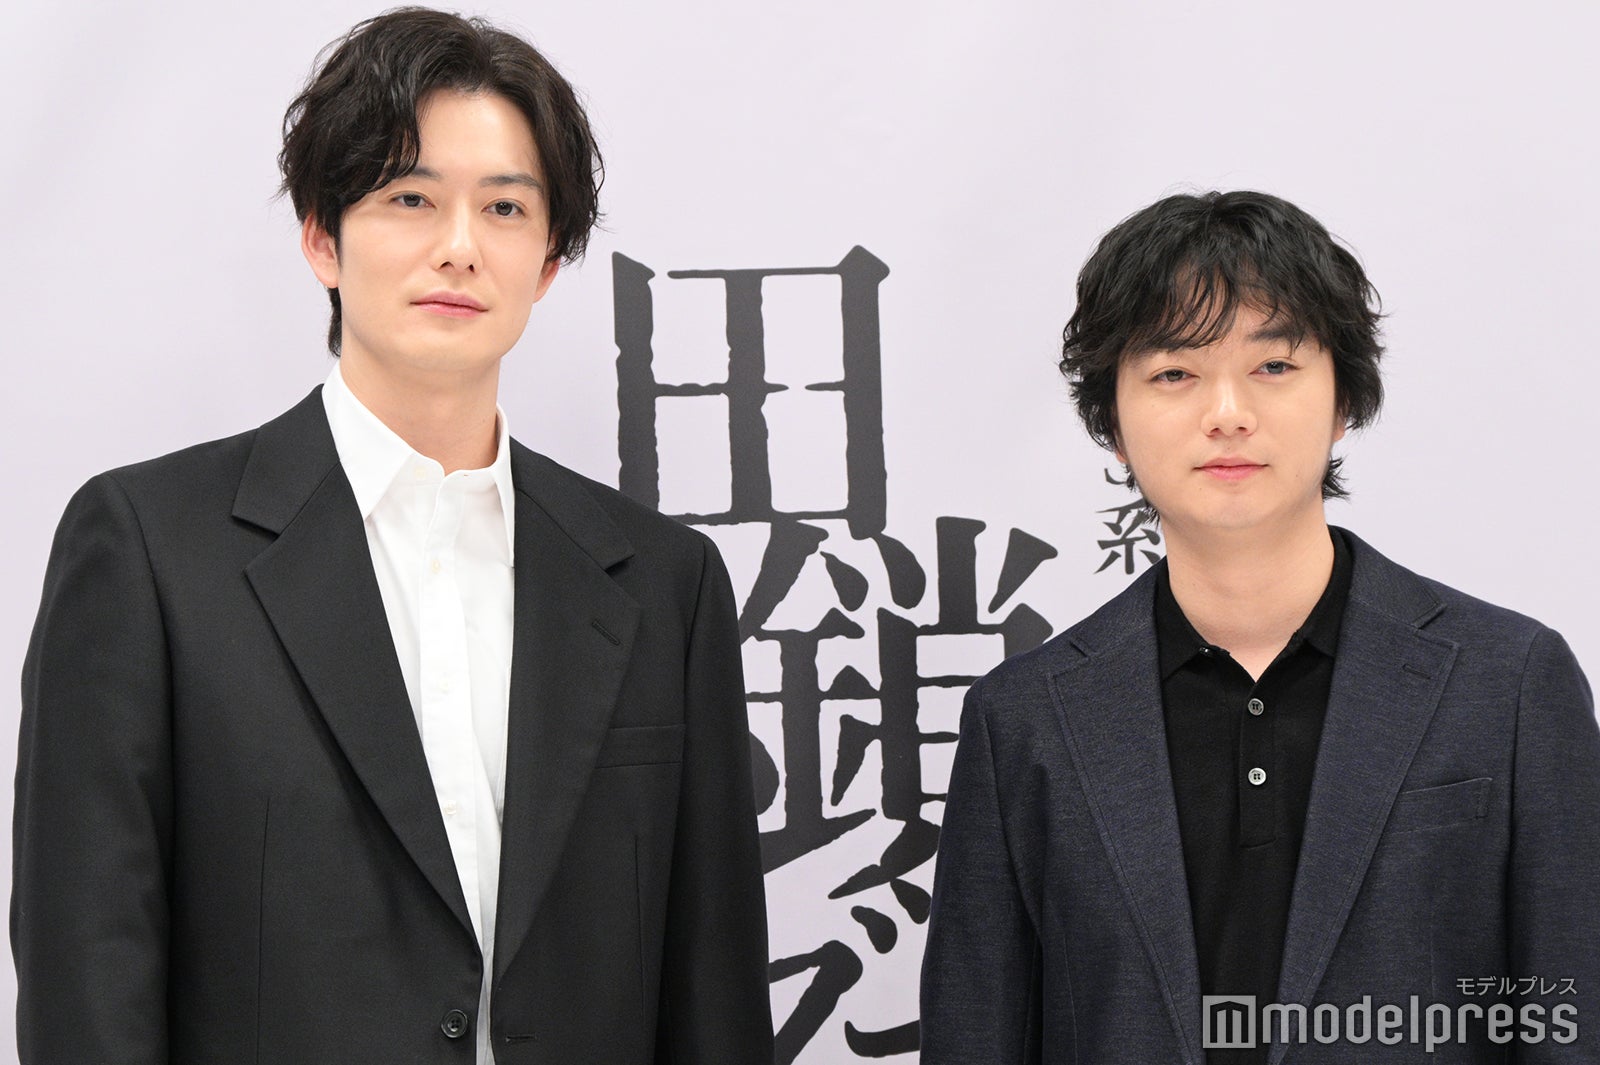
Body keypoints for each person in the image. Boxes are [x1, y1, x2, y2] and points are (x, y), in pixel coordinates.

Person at [12, 9, 774, 1063]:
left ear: (549, 260)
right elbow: (87, 976)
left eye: (505, 207)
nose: (460, 247)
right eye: (411, 198)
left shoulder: (662, 582)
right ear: (322, 238)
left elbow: (714, 995)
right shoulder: (150, 550)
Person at [920, 190, 1599, 1063]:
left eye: (1273, 366)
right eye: (1174, 373)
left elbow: (1570, 1016)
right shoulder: (1024, 719)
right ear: (1113, 423)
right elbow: (977, 1031)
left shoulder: (1509, 681)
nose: (1228, 412)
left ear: (1344, 400)